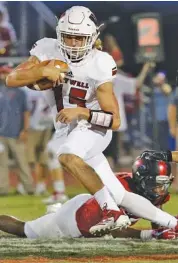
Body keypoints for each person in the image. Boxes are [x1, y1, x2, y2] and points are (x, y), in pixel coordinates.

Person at [6, 6, 178, 235]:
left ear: (91, 38)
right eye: (69, 37)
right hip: (67, 129)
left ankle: (111, 212)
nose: (75, 44)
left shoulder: (100, 63)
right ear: (59, 34)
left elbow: (114, 121)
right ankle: (172, 224)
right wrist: (43, 72)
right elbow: (12, 78)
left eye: (80, 38)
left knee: (66, 156)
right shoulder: (47, 49)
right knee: (120, 194)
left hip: (94, 127)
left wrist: (83, 113)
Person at [0, 154, 177, 240]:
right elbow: (115, 229)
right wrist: (150, 234)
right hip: (73, 221)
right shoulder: (118, 189)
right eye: (158, 183)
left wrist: (161, 229)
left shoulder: (151, 190)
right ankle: (54, 214)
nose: (162, 188)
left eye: (164, 183)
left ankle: (54, 211)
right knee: (23, 230)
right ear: (144, 180)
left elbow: (155, 213)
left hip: (87, 205)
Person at [0, 65, 34, 195]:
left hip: (16, 133)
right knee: (1, 164)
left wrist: (25, 130)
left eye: (6, 73)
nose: (3, 75)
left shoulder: (20, 92)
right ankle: (3, 190)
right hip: (1, 135)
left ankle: (29, 188)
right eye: (2, 73)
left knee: (22, 163)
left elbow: (26, 112)